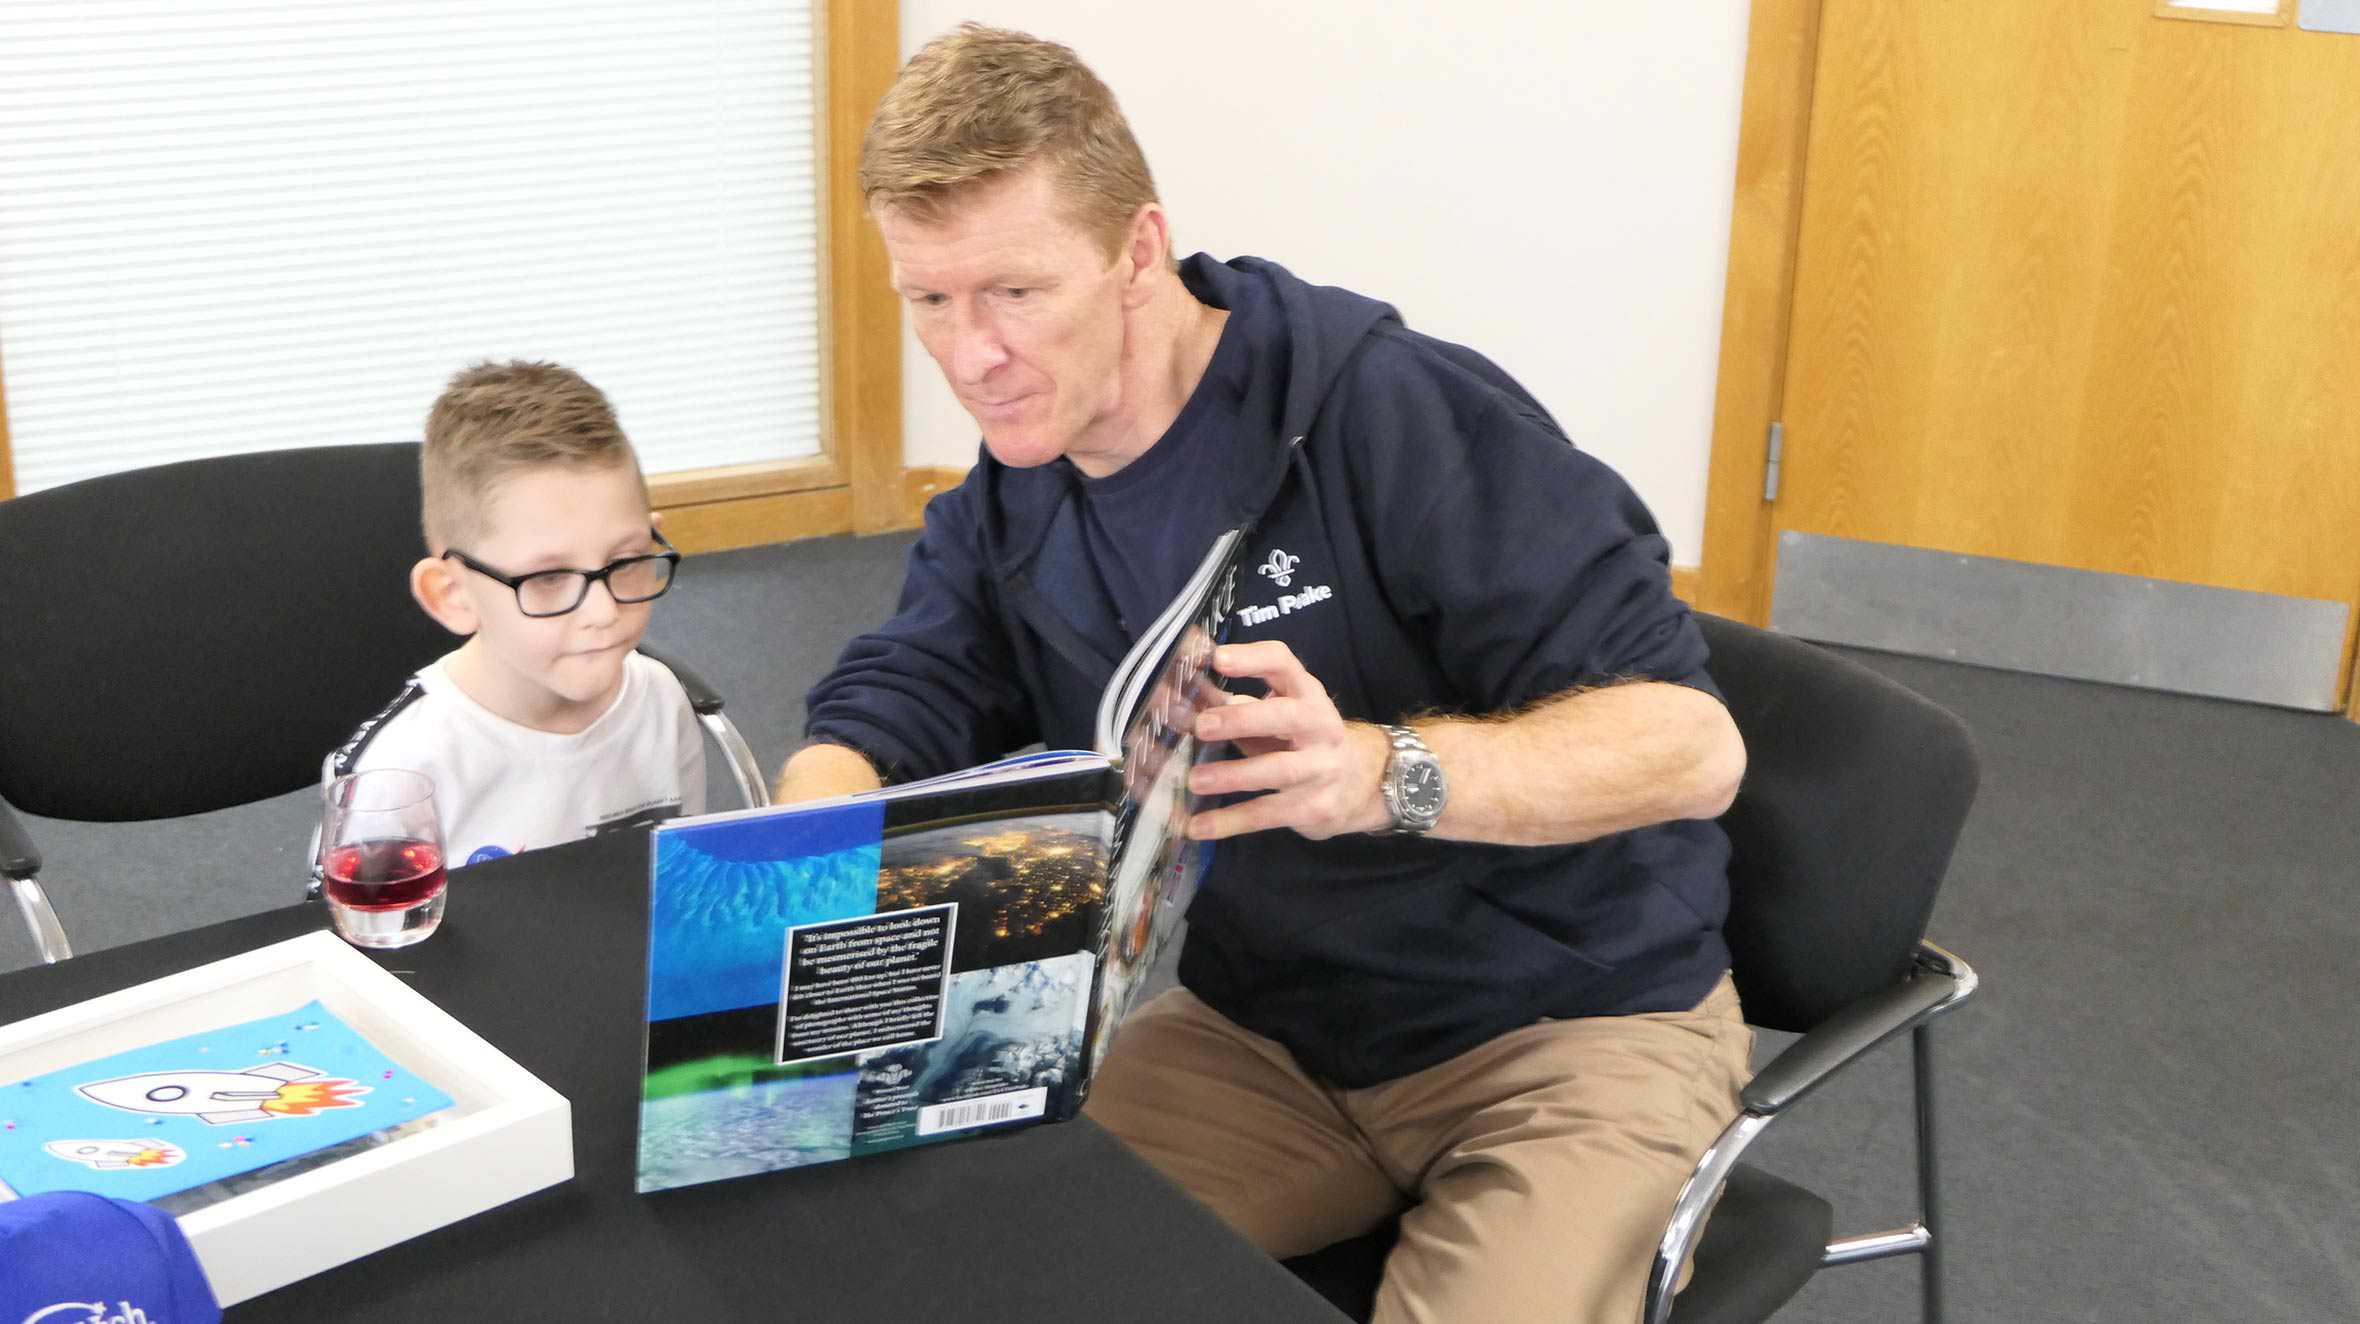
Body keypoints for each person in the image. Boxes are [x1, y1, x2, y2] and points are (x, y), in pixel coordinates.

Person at [781, 25, 1752, 1323]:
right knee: (946, 1255)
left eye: (1015, 293)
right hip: (1272, 1036)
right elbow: (906, 691)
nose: (969, 356)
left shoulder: (1387, 417)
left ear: (1136, 253)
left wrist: (1379, 772)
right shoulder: (1014, 491)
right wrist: (816, 812)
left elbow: (1692, 748)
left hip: (1568, 1030)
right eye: (930, 300)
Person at [325, 360, 705, 867]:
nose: (603, 610)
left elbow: (679, 885)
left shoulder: (660, 698)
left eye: (627, 561)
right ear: (452, 595)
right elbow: (351, 938)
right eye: (548, 579)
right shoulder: (400, 768)